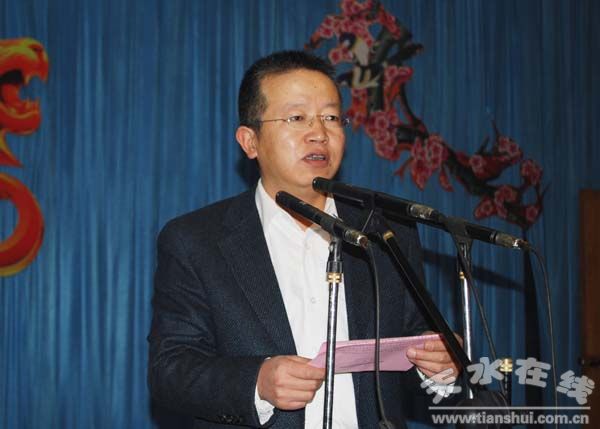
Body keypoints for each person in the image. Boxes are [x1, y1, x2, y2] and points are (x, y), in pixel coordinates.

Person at [148, 50, 461, 428]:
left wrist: (437, 363)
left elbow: (410, 348)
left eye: (330, 117)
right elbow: (171, 369)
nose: (319, 133)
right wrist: (256, 382)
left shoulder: (385, 231)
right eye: (296, 118)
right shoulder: (195, 241)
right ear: (250, 141)